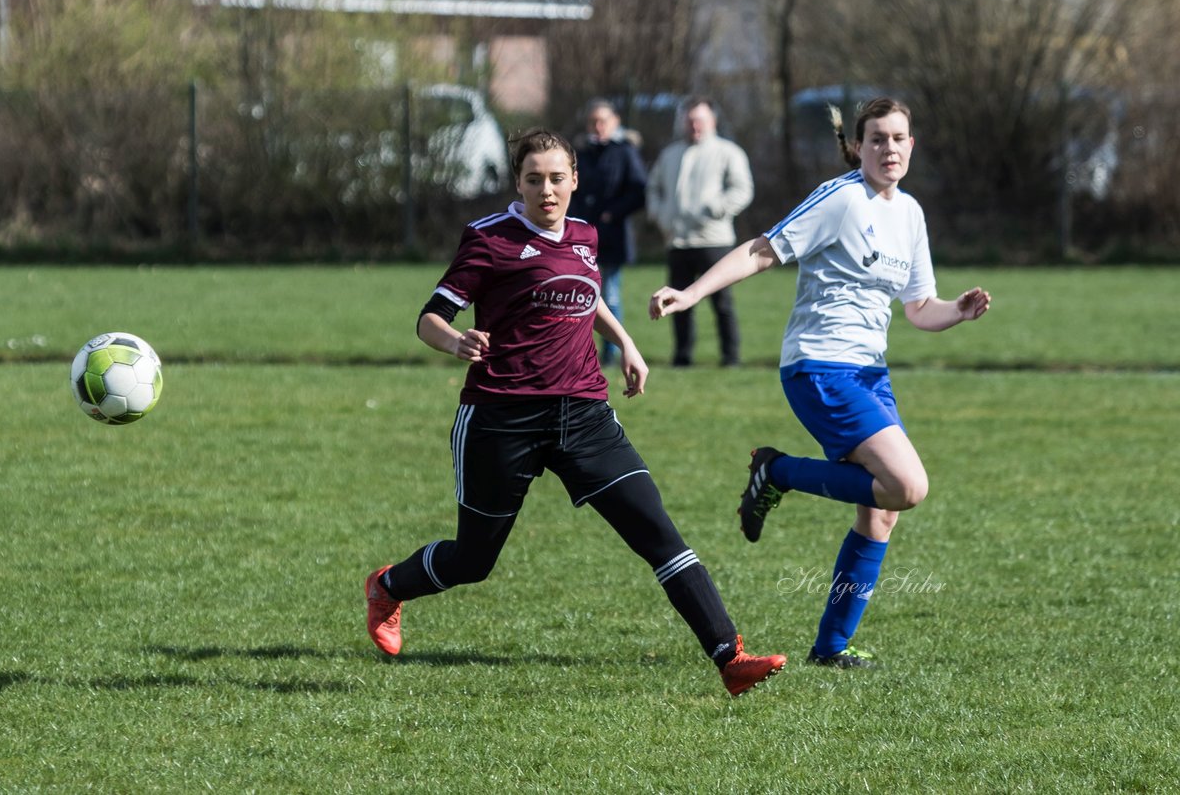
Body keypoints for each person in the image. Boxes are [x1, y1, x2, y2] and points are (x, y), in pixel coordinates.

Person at [365, 128, 786, 696]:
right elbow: (429, 317)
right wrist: (455, 342)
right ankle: (389, 586)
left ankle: (730, 658)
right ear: (517, 182)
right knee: (473, 560)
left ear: (574, 180)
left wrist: (628, 344)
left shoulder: (587, 234)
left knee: (657, 531)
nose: (547, 190)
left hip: (584, 413)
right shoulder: (489, 239)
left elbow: (588, 294)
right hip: (500, 417)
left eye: (557, 178)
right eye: (534, 179)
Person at [649, 98, 991, 669]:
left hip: (869, 373)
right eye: (877, 139)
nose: (889, 149)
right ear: (859, 147)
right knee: (907, 485)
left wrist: (957, 309)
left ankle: (830, 647)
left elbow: (920, 307)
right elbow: (764, 249)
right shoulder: (841, 198)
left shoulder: (910, 214)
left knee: (883, 511)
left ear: (912, 145)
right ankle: (776, 470)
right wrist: (691, 293)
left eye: (899, 138)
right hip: (818, 365)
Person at [646, 96, 754, 367]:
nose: (695, 125)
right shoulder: (670, 154)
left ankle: (731, 359)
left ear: (712, 121)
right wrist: (660, 215)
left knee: (722, 304)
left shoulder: (729, 152)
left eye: (700, 120)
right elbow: (653, 188)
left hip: (714, 241)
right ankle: (682, 358)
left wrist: (716, 208)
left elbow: (742, 190)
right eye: (690, 119)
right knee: (677, 303)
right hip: (678, 241)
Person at [569, 98, 648, 365]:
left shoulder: (624, 151)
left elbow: (638, 191)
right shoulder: (581, 151)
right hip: (582, 234)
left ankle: (613, 353)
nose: (598, 126)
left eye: (603, 120)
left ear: (616, 122)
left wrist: (612, 212)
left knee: (609, 294)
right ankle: (580, 350)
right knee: (579, 294)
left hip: (613, 235)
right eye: (593, 121)